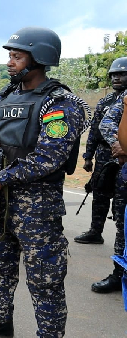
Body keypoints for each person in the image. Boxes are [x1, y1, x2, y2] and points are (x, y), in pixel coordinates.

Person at [0, 27, 88, 337]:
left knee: (45, 280)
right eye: (9, 56)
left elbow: (50, 157)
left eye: (16, 57)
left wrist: (0, 178)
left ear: (40, 58)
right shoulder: (5, 96)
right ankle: (0, 320)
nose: (9, 62)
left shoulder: (60, 102)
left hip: (36, 209)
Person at [76, 57, 127, 245]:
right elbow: (95, 130)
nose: (116, 78)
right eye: (113, 75)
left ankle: (121, 239)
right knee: (99, 193)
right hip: (105, 155)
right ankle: (95, 231)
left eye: (122, 74)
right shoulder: (105, 101)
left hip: (124, 157)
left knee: (121, 199)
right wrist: (88, 156)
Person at [96, 57, 127, 294]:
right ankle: (119, 274)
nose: (117, 77)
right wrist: (120, 145)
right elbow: (106, 124)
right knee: (123, 225)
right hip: (124, 172)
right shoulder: (123, 101)